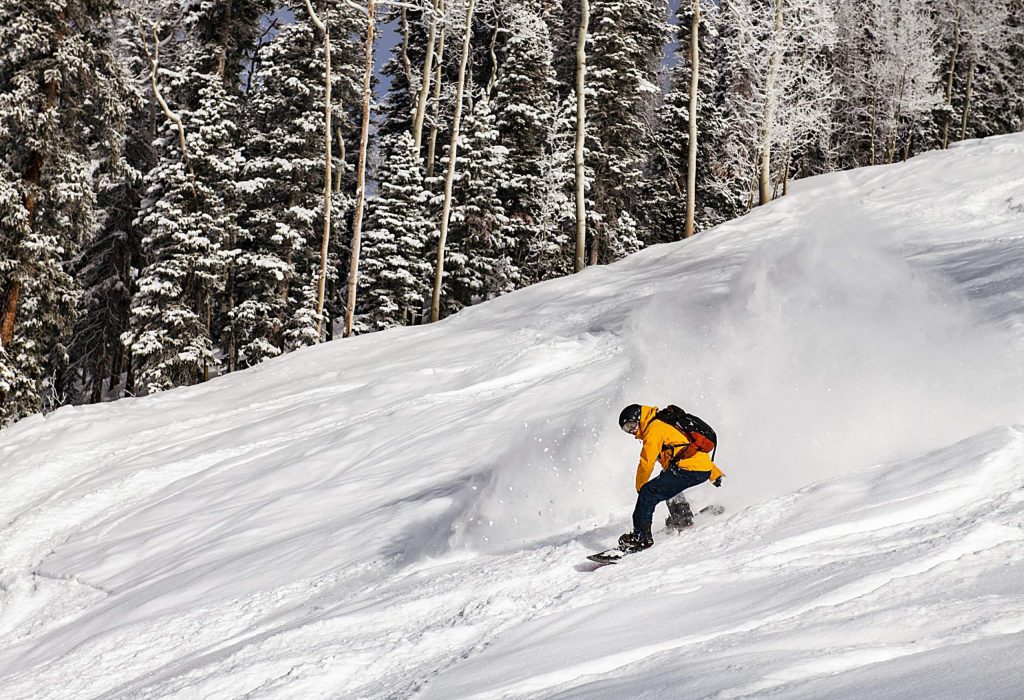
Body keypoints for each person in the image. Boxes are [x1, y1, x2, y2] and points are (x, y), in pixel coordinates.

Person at [616, 403, 724, 552]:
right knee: (666, 481)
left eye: (632, 425)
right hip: (699, 468)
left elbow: (646, 462)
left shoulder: (653, 429)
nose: (632, 431)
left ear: (639, 418)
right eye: (627, 430)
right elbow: (688, 450)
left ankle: (640, 538)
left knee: (648, 493)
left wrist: (641, 487)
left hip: (690, 469)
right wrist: (713, 472)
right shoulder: (661, 425)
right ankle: (682, 518)